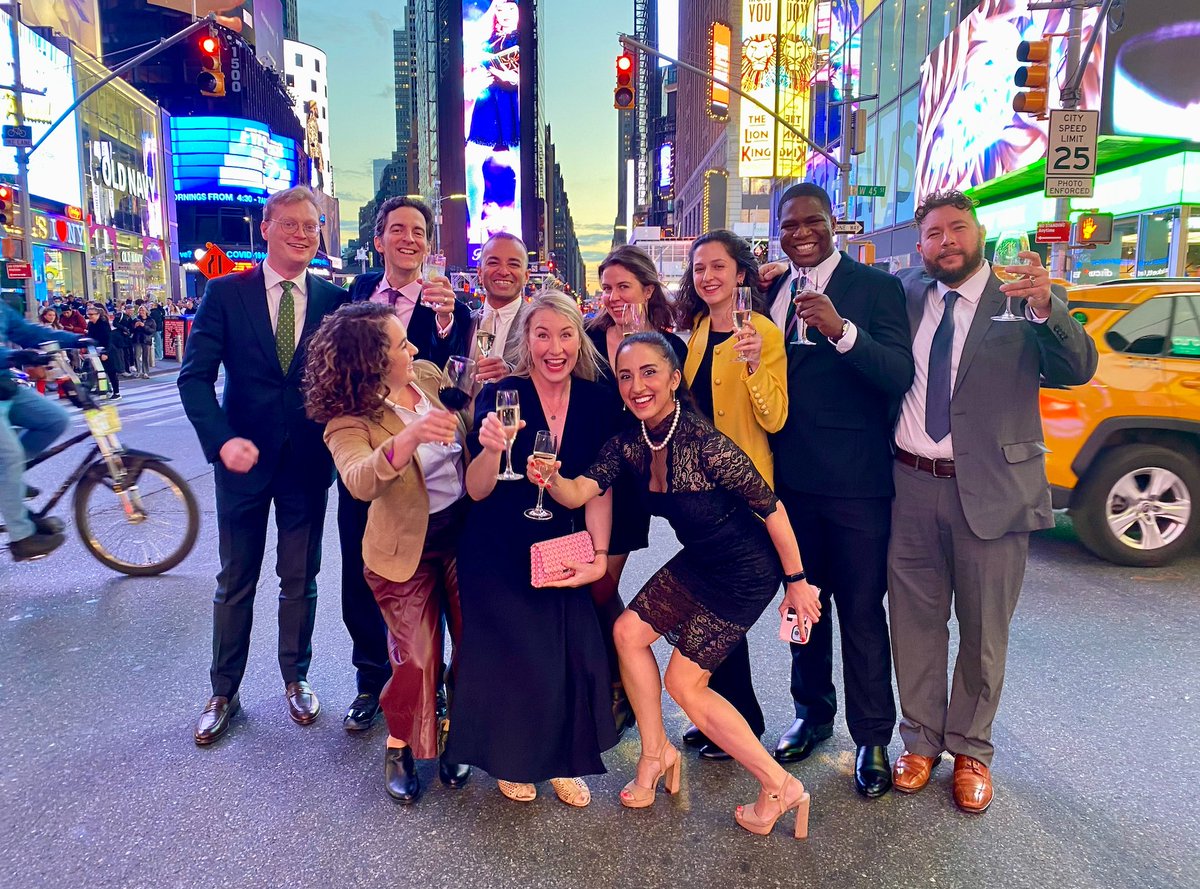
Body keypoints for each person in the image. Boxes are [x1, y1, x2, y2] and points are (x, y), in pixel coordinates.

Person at [534, 332, 822, 838]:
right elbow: (582, 489)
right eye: (625, 375)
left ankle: (779, 785)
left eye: (649, 372)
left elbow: (771, 508)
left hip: (745, 570)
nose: (636, 385)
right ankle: (655, 753)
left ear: (672, 379)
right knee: (627, 632)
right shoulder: (632, 442)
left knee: (684, 684)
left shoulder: (702, 441)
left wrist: (796, 583)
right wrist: (551, 478)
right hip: (702, 561)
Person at [887, 190, 1097, 813]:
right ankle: (921, 740)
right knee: (915, 625)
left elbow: (1077, 365)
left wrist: (1043, 307)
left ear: (978, 234)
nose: (945, 240)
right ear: (920, 245)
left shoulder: (1021, 297)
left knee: (984, 630)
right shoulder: (905, 295)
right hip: (910, 484)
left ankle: (972, 748)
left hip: (996, 490)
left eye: (956, 229)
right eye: (932, 233)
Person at [752, 183, 915, 799]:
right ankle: (812, 713)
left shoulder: (876, 289)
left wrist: (842, 330)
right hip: (791, 483)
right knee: (803, 606)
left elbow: (897, 374)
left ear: (833, 225)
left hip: (855, 484)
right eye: (788, 224)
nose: (800, 232)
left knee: (861, 611)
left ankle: (872, 735)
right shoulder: (771, 290)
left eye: (811, 222)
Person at [179, 186, 347, 746]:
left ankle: (295, 679)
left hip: (306, 463)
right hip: (241, 462)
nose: (304, 234)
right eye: (293, 224)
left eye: (313, 226)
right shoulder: (226, 293)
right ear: (266, 228)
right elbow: (194, 378)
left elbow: (350, 375)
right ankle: (223, 690)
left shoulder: (331, 299)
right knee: (236, 579)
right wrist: (221, 441)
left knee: (300, 578)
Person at [446, 290, 619, 807]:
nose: (555, 347)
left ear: (578, 340)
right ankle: (511, 761)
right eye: (542, 334)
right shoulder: (504, 394)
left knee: (563, 653)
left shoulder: (597, 399)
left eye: (565, 334)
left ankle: (560, 760)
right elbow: (477, 488)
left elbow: (599, 486)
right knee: (509, 653)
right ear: (526, 340)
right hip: (496, 539)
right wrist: (492, 448)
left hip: (559, 535)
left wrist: (599, 557)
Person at [306, 302, 471, 803]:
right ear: (374, 359)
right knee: (415, 658)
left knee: (476, 642)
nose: (414, 348)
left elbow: (461, 416)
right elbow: (358, 481)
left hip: (463, 533)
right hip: (403, 549)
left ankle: (460, 728)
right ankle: (399, 743)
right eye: (401, 344)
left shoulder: (424, 375)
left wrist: (476, 397)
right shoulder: (347, 420)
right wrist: (412, 434)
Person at [337, 195, 471, 732]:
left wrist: (443, 324)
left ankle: (437, 695)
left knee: (451, 598)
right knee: (366, 574)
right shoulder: (354, 292)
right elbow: (335, 360)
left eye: (418, 231)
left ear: (429, 244)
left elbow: (457, 383)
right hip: (375, 458)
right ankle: (373, 682)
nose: (408, 239)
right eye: (398, 229)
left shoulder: (451, 306)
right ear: (380, 239)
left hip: (436, 477)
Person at [672, 229, 788, 760]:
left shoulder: (760, 330)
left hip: (743, 492)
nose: (708, 277)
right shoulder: (695, 330)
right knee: (715, 600)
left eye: (718, 266)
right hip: (700, 496)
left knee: (726, 605)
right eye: (699, 269)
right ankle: (729, 710)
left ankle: (741, 715)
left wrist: (751, 364)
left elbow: (775, 416)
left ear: (740, 273)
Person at [584, 244, 688, 734]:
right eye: (606, 287)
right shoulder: (587, 336)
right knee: (586, 583)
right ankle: (610, 678)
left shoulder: (666, 347)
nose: (612, 296)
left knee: (602, 583)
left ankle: (621, 679)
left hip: (631, 481)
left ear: (648, 290)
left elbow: (681, 412)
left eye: (623, 286)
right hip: (584, 476)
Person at [0, 301, 80, 561]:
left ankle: (7, 480)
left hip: (4, 388)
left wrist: (77, 340)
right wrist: (13, 357)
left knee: (54, 419)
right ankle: (22, 536)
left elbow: (28, 332)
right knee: (9, 454)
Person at [470, 232, 531, 385]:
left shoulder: (539, 325)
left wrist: (510, 374)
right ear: (479, 272)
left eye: (513, 264)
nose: (504, 271)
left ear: (526, 276)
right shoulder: (464, 321)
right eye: (493, 263)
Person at [84, 305, 120, 400]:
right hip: (95, 351)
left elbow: (109, 339)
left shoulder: (104, 324)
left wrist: (106, 353)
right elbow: (90, 337)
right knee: (99, 372)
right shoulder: (91, 324)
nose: (90, 316)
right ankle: (104, 389)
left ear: (98, 314)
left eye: (92, 314)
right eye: (88, 314)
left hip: (107, 350)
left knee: (111, 372)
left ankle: (117, 392)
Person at [132, 304, 157, 379]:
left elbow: (152, 330)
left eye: (143, 310)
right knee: (136, 356)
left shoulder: (151, 320)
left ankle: (145, 372)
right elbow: (131, 330)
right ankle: (138, 371)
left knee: (145, 357)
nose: (141, 311)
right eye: (140, 310)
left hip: (146, 340)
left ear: (146, 311)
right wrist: (135, 326)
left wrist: (144, 326)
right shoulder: (135, 319)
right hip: (137, 339)